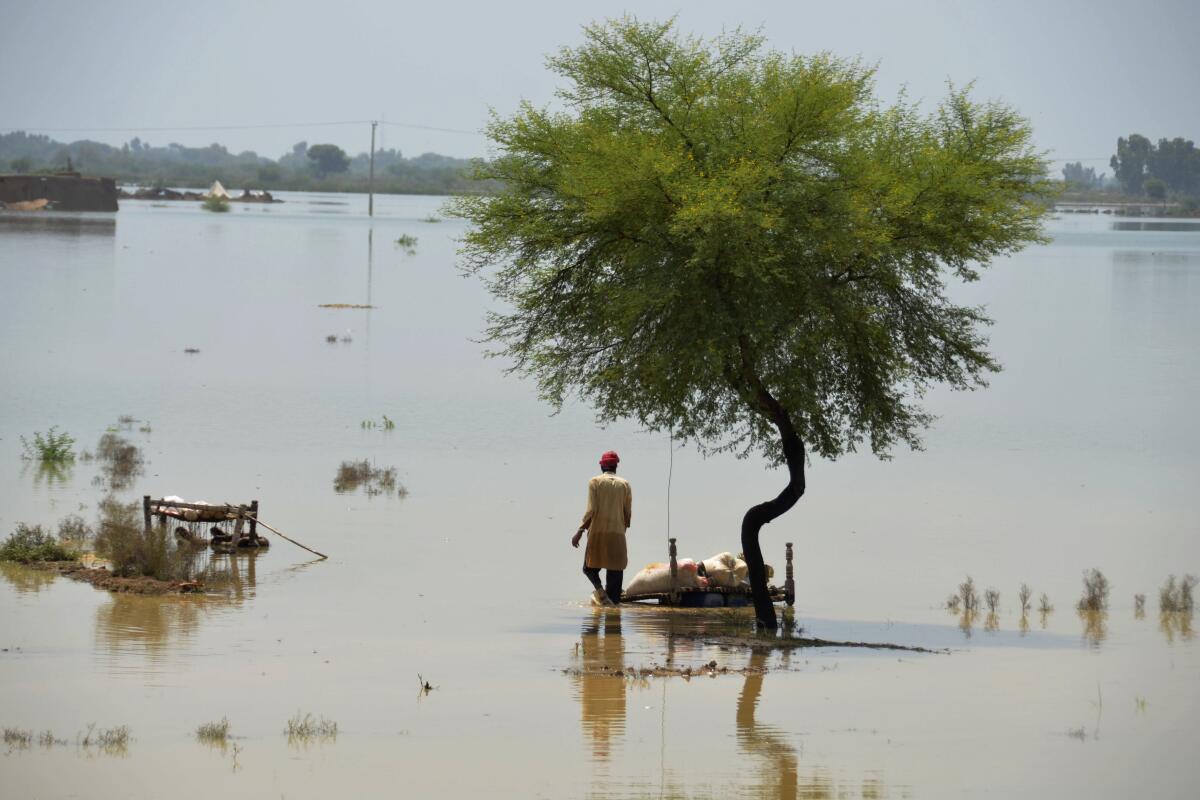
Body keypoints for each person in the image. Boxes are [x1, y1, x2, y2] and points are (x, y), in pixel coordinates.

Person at [572, 450, 632, 606]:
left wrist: (580, 531)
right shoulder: (624, 484)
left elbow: (591, 510)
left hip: (598, 533)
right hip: (618, 534)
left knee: (589, 568)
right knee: (615, 575)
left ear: (602, 466)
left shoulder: (595, 482)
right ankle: (613, 622)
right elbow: (627, 513)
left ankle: (600, 592)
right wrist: (622, 530)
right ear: (616, 466)